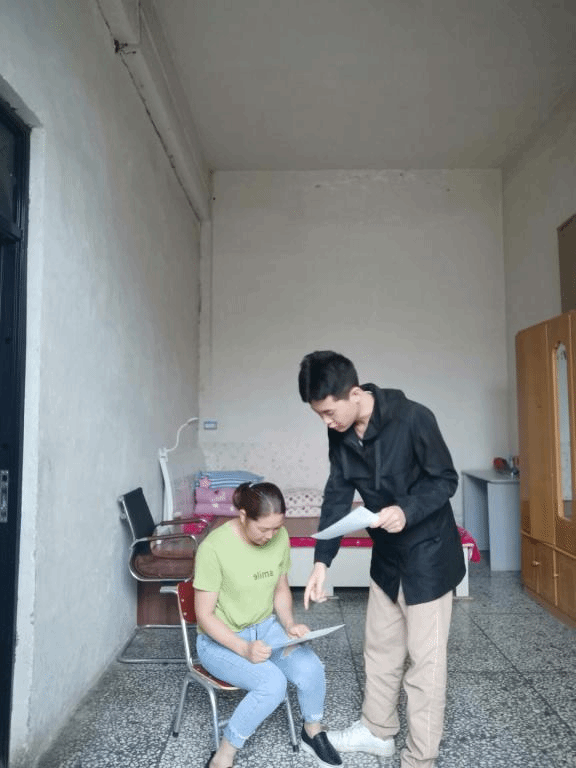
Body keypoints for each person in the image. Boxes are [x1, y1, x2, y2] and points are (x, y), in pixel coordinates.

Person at [298, 351, 465, 768]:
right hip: (387, 557)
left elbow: (445, 479)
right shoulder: (341, 433)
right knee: (380, 649)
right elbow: (337, 494)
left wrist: (407, 510)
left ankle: (420, 758)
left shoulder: (414, 418)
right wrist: (321, 562)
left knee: (425, 665)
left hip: (428, 554)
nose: (326, 422)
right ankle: (377, 731)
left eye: (329, 412)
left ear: (354, 393)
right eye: (319, 415)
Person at [193, 481, 342, 768]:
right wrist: (243, 648)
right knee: (272, 684)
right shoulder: (214, 547)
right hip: (221, 641)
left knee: (311, 667)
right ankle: (224, 754)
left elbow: (280, 587)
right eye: (263, 529)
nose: (271, 536)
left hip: (266, 628)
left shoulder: (279, 537)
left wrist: (289, 624)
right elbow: (205, 615)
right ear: (243, 516)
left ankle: (312, 732)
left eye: (277, 528)